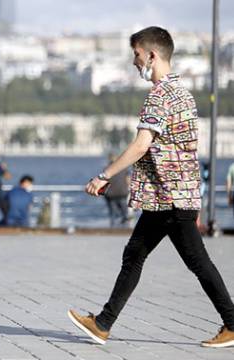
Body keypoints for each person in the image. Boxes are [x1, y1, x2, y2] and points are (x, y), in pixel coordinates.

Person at [67, 26, 234, 348]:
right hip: (172, 195)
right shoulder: (183, 93)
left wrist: (103, 176)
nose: (134, 62)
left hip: (171, 198)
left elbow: (141, 144)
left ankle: (232, 323)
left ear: (152, 55)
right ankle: (102, 323)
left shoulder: (159, 96)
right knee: (135, 255)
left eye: (136, 55)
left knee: (196, 262)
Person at [103, 153, 129, 227]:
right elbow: (128, 180)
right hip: (122, 192)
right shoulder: (124, 168)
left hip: (111, 194)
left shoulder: (106, 169)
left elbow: (104, 182)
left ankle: (113, 228)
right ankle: (125, 229)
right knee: (125, 213)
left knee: (113, 214)